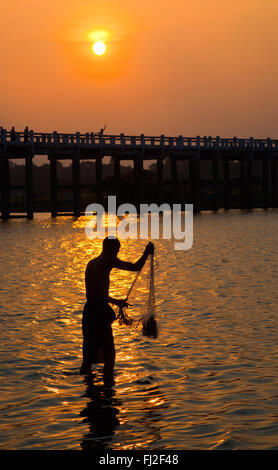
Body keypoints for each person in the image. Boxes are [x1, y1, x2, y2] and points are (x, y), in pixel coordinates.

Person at [80, 237, 154, 386]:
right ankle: (108, 390)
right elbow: (135, 267)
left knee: (88, 357)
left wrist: (117, 302)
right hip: (99, 313)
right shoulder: (108, 260)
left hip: (88, 312)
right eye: (117, 250)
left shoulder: (91, 263)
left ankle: (86, 388)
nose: (117, 254)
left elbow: (95, 295)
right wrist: (146, 252)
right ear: (111, 248)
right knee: (110, 356)